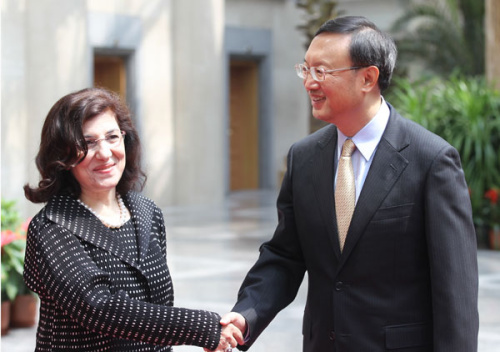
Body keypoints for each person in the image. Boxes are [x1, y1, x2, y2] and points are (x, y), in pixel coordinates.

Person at [217, 16, 479, 352]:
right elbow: (284, 255)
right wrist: (246, 315)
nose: (310, 82)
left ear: (368, 78)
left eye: (322, 71)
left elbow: (455, 292)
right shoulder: (304, 157)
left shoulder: (431, 161)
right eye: (305, 69)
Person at [23, 87, 240, 352]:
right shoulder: (52, 227)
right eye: (88, 143)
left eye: (112, 137)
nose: (105, 153)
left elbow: (157, 310)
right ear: (63, 157)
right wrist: (203, 328)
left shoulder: (146, 211)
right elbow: (99, 306)